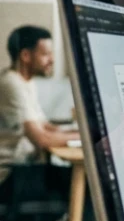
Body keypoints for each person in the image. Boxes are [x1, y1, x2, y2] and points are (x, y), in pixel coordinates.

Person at [0, 26, 79, 201]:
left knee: (81, 181)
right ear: (26, 56)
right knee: (88, 186)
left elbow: (45, 127)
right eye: (46, 54)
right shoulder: (11, 84)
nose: (52, 60)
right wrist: (87, 138)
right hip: (10, 176)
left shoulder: (25, 82)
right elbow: (42, 138)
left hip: (25, 168)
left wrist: (80, 133)